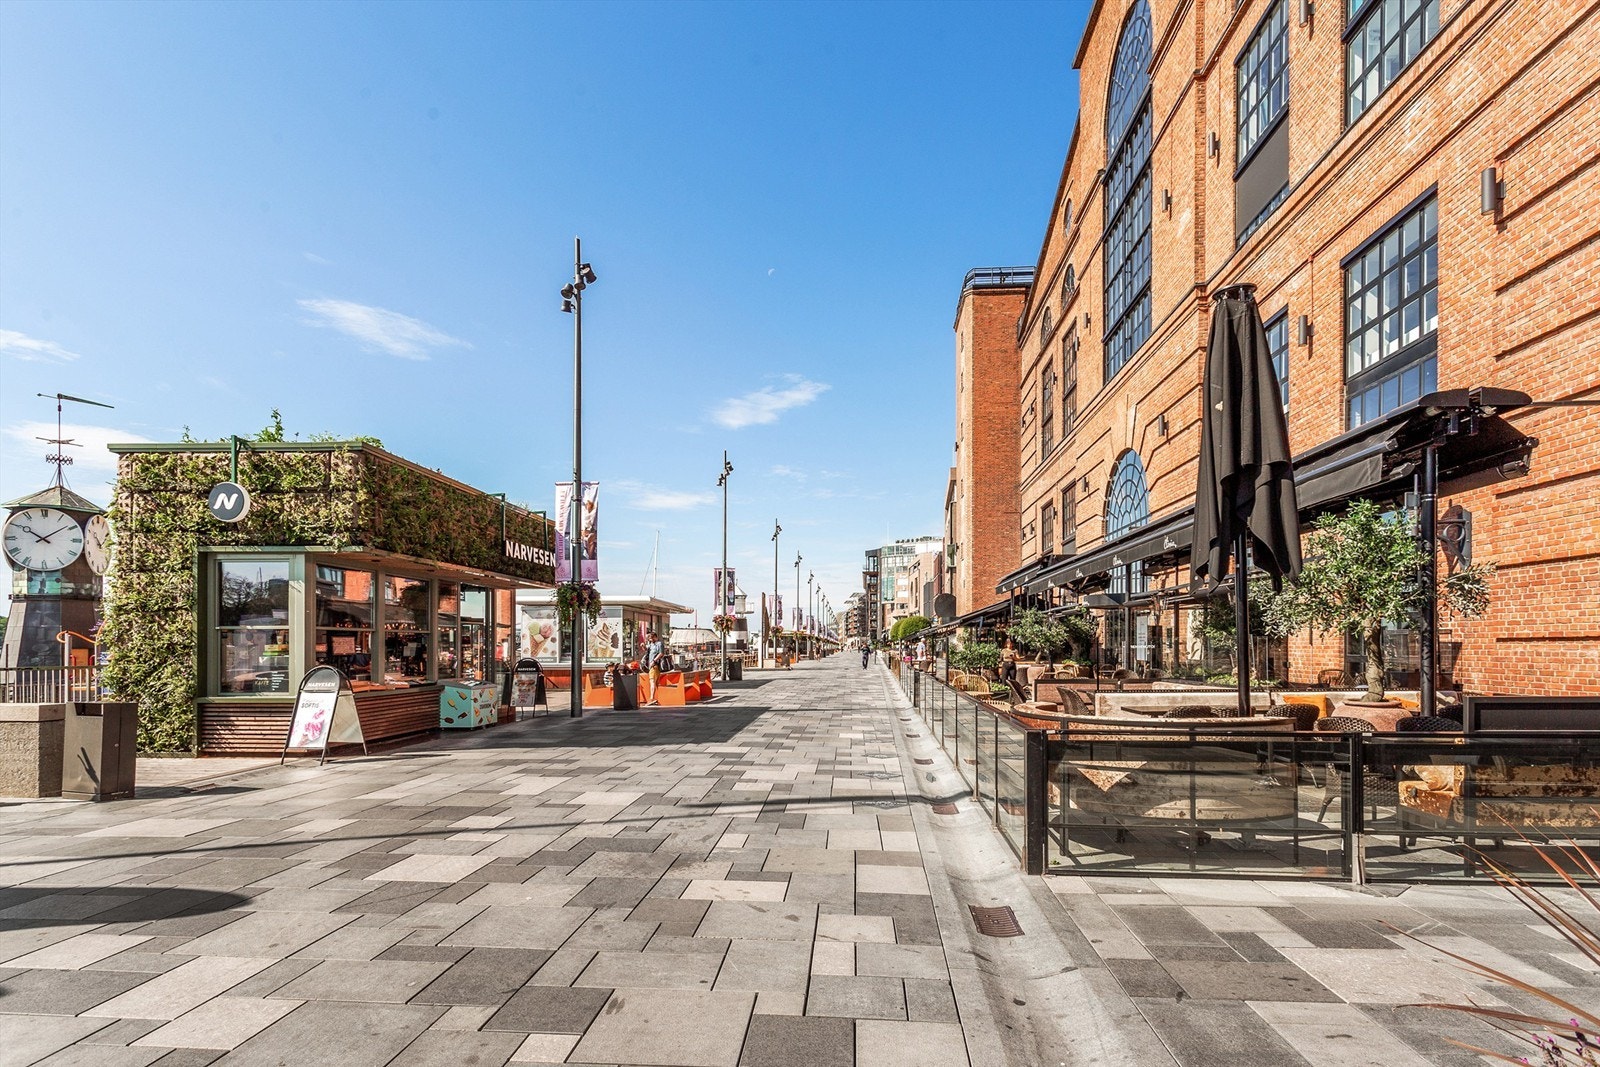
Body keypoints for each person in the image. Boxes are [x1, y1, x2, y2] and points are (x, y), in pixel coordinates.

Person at [643, 629, 666, 705]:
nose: (651, 640)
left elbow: (661, 653)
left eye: (652, 638)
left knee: (652, 681)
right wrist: (643, 646)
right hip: (651, 665)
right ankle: (656, 697)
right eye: (649, 639)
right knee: (655, 682)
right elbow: (647, 650)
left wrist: (654, 661)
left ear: (655, 637)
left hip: (655, 665)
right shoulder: (651, 644)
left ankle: (652, 698)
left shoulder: (659, 644)